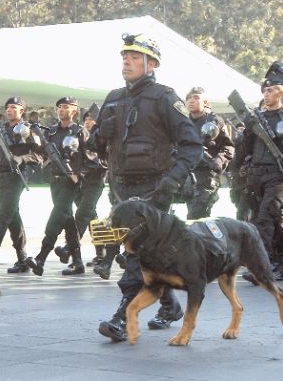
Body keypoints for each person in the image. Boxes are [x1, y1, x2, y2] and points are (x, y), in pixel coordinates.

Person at [86, 33, 202, 341]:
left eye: (135, 57)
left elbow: (193, 146)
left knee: (136, 255)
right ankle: (171, 305)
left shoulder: (165, 97)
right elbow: (93, 147)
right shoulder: (112, 98)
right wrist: (100, 134)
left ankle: (122, 317)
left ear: (152, 64)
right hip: (121, 189)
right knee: (134, 254)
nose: (127, 60)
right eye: (125, 55)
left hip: (154, 190)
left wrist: (171, 181)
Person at [234, 78, 283, 282]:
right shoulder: (255, 118)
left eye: (271, 90)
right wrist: (247, 132)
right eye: (265, 91)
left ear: (281, 93)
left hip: (277, 174)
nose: (267, 94)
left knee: (265, 218)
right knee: (270, 219)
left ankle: (262, 265)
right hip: (255, 174)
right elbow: (245, 149)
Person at [0, 97, 44, 273]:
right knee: (12, 216)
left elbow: (40, 155)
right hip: (0, 177)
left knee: (3, 217)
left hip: (17, 177)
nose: (9, 110)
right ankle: (22, 258)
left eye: (14, 107)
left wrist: (22, 158)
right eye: (7, 107)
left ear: (21, 111)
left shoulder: (28, 130)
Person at [25, 97, 86, 276]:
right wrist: (32, 139)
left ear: (74, 110)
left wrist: (78, 174)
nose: (61, 110)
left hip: (71, 182)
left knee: (56, 217)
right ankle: (78, 262)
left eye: (65, 107)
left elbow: (91, 156)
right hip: (55, 181)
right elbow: (41, 153)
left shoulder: (80, 132)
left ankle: (40, 258)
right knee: (67, 221)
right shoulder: (51, 132)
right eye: (59, 107)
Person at [56, 109, 109, 267]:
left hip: (96, 180)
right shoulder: (79, 135)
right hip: (81, 181)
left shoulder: (103, 137)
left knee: (82, 214)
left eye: (92, 119)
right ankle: (101, 254)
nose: (88, 121)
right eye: (86, 118)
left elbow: (105, 159)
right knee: (92, 217)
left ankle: (69, 249)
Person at [184, 86, 234, 219]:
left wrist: (219, 161)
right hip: (186, 175)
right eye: (188, 98)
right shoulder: (182, 122)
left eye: (196, 98)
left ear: (205, 102)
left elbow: (228, 147)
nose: (191, 101)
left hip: (207, 174)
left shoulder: (214, 121)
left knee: (195, 216)